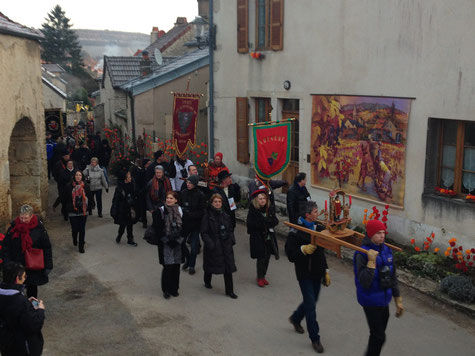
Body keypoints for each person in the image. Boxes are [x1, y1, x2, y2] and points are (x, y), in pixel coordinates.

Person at [285, 201, 330, 354]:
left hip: (317, 272)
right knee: (311, 305)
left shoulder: (318, 228)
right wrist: (302, 250)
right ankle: (315, 338)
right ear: (307, 215)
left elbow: (321, 253)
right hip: (304, 273)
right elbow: (290, 254)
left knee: (312, 300)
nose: (318, 214)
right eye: (316, 212)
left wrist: (326, 270)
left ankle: (296, 318)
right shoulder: (295, 231)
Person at [353, 219, 404, 356]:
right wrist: (371, 262)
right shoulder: (361, 253)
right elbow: (363, 281)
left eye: (383, 232)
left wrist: (397, 298)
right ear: (370, 235)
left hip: (384, 299)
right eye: (378, 233)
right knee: (379, 336)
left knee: (377, 336)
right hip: (370, 300)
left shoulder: (387, 250)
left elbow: (392, 276)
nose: (382, 236)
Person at [1, 205, 53, 299]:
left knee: (32, 289)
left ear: (31, 216)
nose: (23, 220)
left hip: (32, 266)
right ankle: (18, 307)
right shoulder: (13, 228)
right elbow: (6, 247)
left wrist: (48, 265)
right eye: (21, 217)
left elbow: (47, 247)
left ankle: (32, 309)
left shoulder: (39, 229)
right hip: (16, 264)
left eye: (26, 218)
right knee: (15, 290)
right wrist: (7, 262)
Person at [0, 262, 45, 356]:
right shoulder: (20, 301)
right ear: (17, 279)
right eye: (24, 276)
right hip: (22, 346)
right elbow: (34, 324)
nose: (25, 278)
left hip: (5, 343)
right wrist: (40, 309)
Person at [201, 193, 238, 299]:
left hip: (226, 244)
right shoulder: (207, 216)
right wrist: (210, 244)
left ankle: (230, 291)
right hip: (214, 244)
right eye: (215, 202)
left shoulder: (225, 215)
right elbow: (204, 232)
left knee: (228, 268)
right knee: (210, 265)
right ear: (212, 203)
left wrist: (231, 240)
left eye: (219, 202)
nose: (217, 204)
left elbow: (230, 229)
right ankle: (207, 280)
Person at [246, 189, 279, 287]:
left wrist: (270, 221)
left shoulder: (269, 209)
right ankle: (259, 277)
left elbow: (275, 221)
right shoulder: (253, 211)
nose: (262, 200)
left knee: (267, 258)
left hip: (269, 237)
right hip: (258, 238)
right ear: (256, 200)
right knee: (261, 258)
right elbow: (251, 224)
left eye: (264, 198)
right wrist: (264, 222)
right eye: (260, 199)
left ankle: (264, 275)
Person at [157, 191, 184, 299]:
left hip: (177, 242)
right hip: (165, 243)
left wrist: (177, 240)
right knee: (167, 267)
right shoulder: (160, 211)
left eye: (171, 198)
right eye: (167, 198)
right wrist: (168, 240)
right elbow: (158, 229)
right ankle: (166, 290)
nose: (168, 200)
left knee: (176, 266)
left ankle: (174, 289)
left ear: (176, 200)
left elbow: (183, 227)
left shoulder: (180, 210)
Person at [180, 175, 206, 275]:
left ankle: (191, 266)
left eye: (190, 183)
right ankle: (188, 259)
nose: (188, 184)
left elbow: (202, 211)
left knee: (194, 247)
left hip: (195, 224)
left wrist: (190, 214)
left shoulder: (200, 195)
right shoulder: (183, 193)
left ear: (195, 184)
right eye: (187, 182)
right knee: (181, 242)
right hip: (185, 223)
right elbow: (180, 206)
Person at [64, 170, 89, 253]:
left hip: (83, 210)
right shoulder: (68, 186)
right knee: (75, 229)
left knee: (82, 229)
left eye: (80, 175)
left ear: (82, 177)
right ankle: (75, 238)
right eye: (77, 175)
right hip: (72, 210)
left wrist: (91, 205)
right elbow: (64, 197)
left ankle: (81, 246)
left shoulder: (86, 186)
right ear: (74, 176)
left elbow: (90, 196)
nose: (78, 176)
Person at [110, 171, 138, 246]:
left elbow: (135, 195)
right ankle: (119, 235)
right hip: (122, 209)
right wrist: (114, 210)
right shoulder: (120, 188)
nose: (130, 178)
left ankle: (130, 239)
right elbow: (115, 200)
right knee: (123, 224)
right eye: (129, 177)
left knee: (130, 225)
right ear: (125, 178)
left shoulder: (132, 185)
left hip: (130, 208)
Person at [130, 158, 148, 228]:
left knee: (143, 206)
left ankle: (143, 219)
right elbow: (135, 180)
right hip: (139, 190)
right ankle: (141, 219)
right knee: (140, 206)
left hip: (144, 190)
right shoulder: (137, 170)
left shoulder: (144, 170)